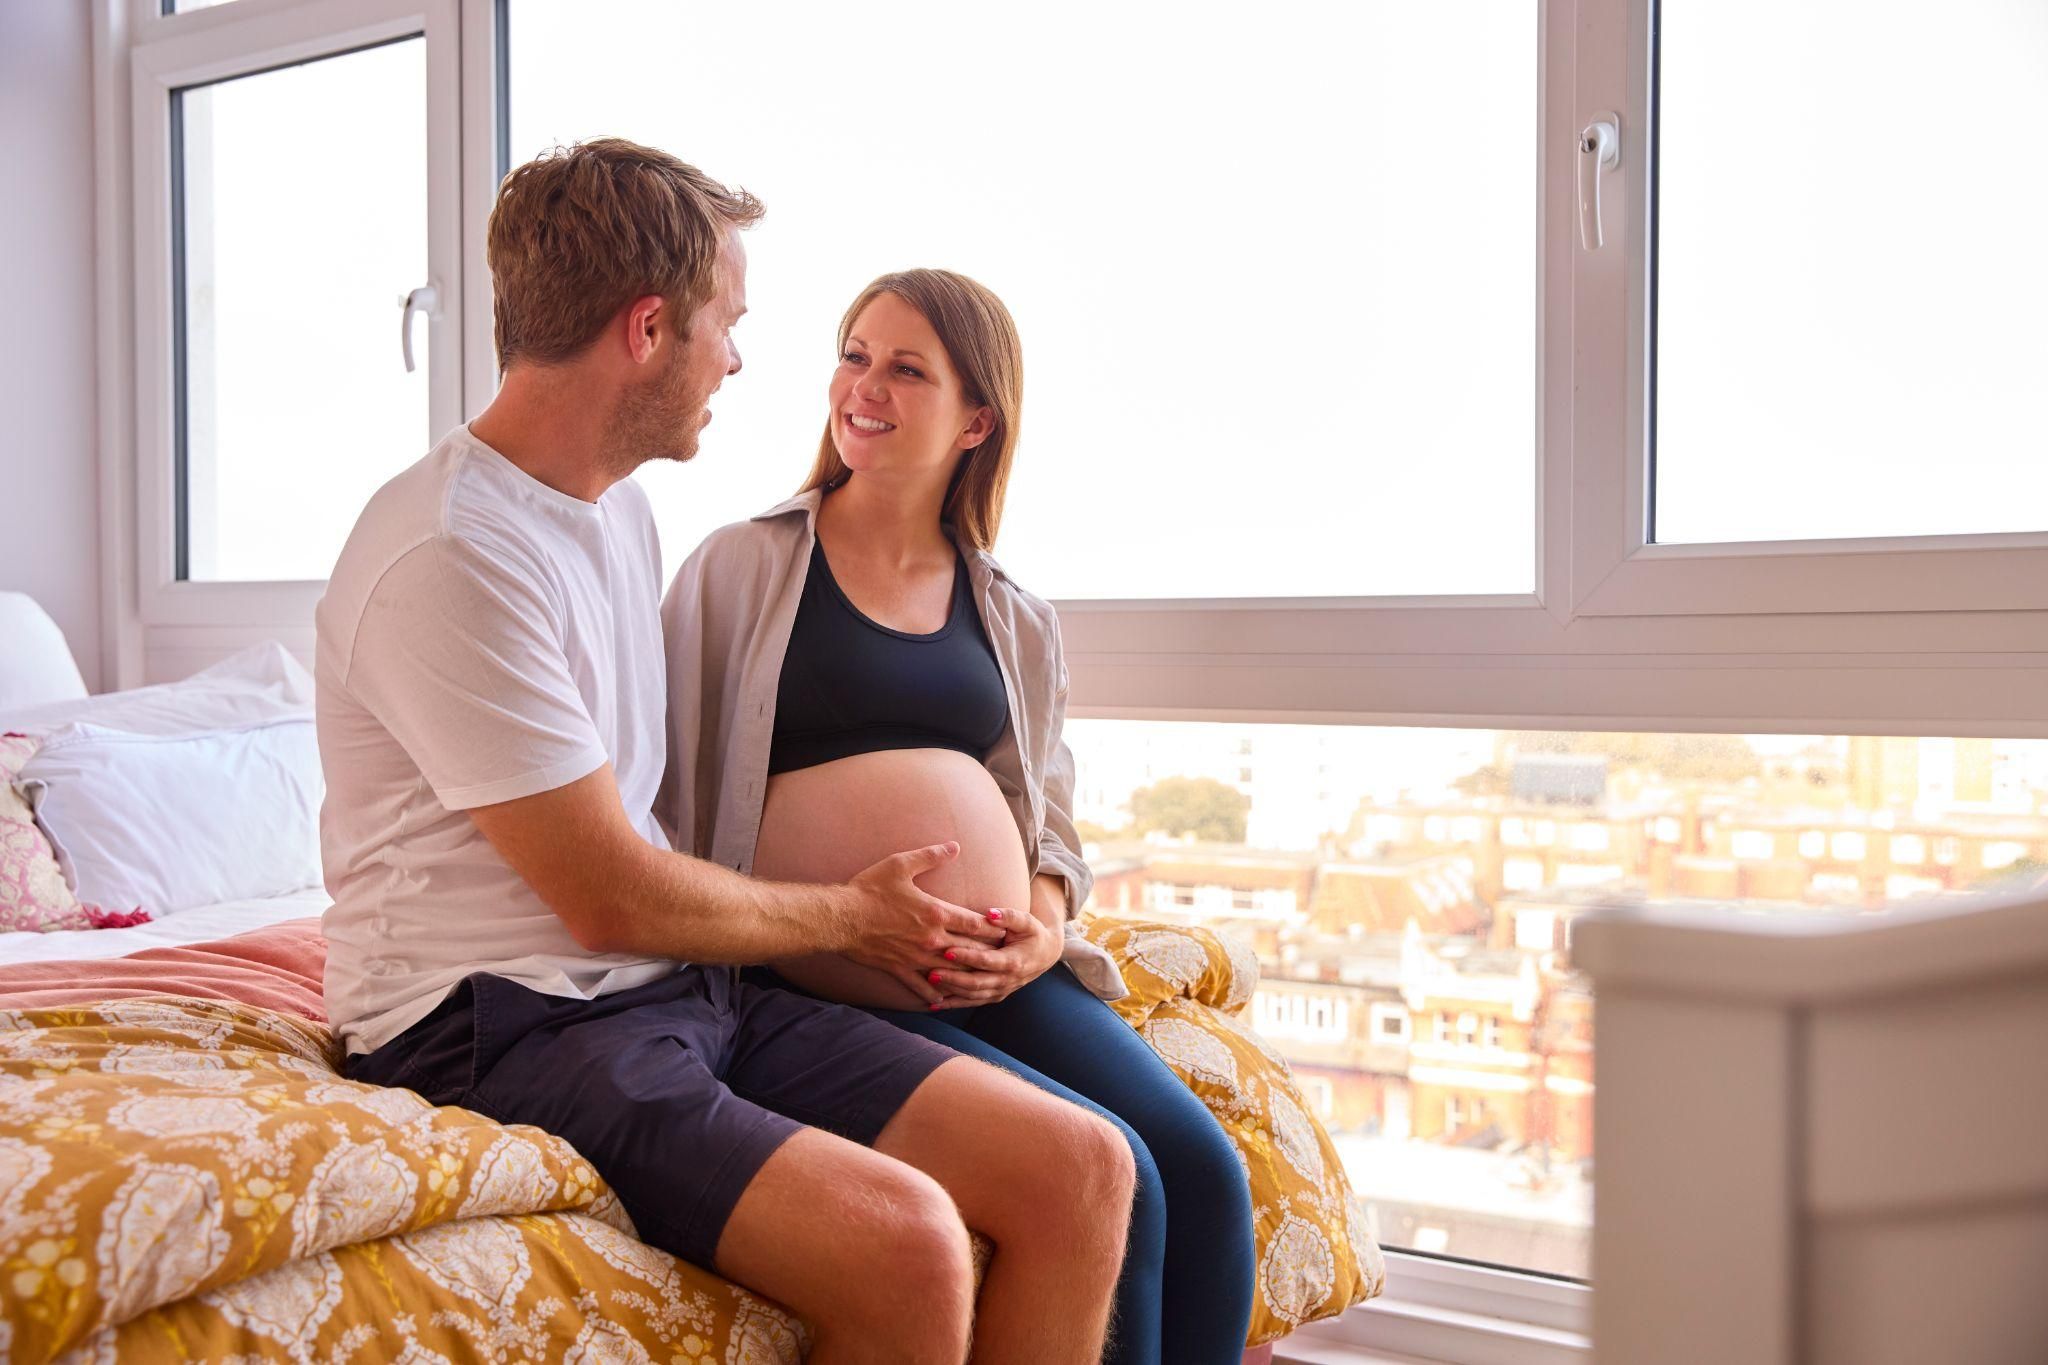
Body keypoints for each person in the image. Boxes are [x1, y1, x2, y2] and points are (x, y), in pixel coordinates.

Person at [317, 139, 1133, 1365]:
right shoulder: (450, 553)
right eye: (726, 324)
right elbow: (603, 894)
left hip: (667, 985)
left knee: (1080, 1167)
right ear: (648, 330)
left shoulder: (614, 509)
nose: (741, 360)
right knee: (905, 1238)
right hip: (499, 1019)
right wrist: (852, 921)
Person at [661, 268, 1257, 1363]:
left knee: (1205, 1173)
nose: (863, 386)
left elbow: (1051, 819)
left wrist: (1036, 917)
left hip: (995, 971)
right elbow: (662, 795)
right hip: (810, 976)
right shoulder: (741, 569)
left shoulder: (1010, 615)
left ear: (975, 418)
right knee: (1115, 1172)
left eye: (905, 367)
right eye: (852, 356)